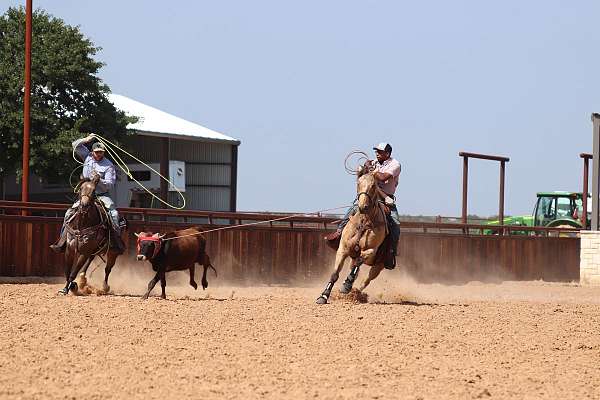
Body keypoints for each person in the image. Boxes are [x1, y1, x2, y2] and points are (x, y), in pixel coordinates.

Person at [325, 142, 401, 268]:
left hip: (386, 199)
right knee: (353, 209)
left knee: (396, 225)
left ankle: (390, 252)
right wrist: (364, 169)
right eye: (376, 151)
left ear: (387, 154)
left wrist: (372, 170)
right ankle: (339, 234)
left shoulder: (395, 165)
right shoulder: (374, 163)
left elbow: (382, 178)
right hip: (370, 197)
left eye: (380, 152)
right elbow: (363, 178)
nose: (377, 153)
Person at [50, 134, 125, 254]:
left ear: (103, 152)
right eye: (96, 152)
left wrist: (99, 179)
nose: (98, 154)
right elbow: (74, 145)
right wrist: (86, 139)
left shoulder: (109, 165)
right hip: (85, 194)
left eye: (101, 152)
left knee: (114, 214)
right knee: (68, 212)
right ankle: (62, 241)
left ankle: (115, 241)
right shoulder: (87, 156)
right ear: (93, 151)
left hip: (101, 195)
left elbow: (110, 184)